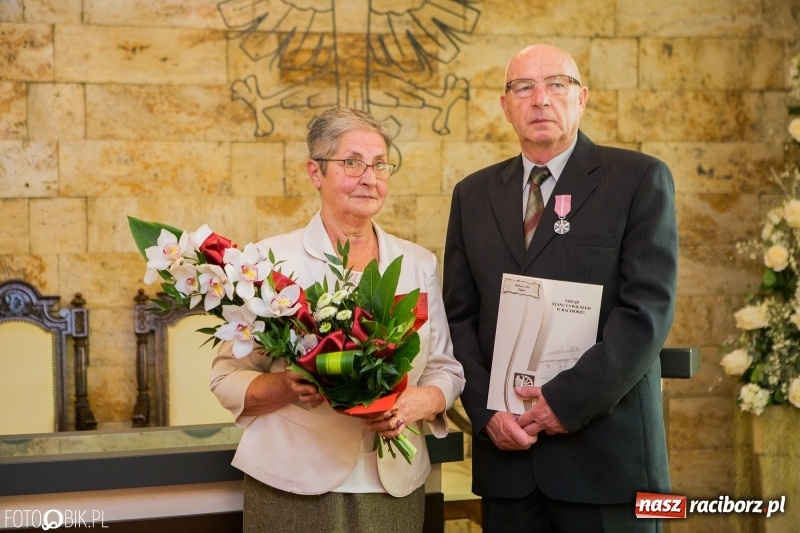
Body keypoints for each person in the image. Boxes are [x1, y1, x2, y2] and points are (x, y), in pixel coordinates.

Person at [443, 44, 678, 532]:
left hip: (606, 463)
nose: (540, 99)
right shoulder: (472, 195)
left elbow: (646, 313)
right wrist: (486, 411)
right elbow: (459, 317)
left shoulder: (637, 179)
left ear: (582, 97)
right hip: (509, 463)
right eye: (523, 87)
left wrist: (565, 402)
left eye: (556, 84)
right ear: (505, 105)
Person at [210, 108, 465, 533]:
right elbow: (225, 378)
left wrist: (418, 403)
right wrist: (287, 385)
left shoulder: (418, 263)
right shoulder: (271, 262)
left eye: (380, 164)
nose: (370, 177)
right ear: (316, 172)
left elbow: (445, 370)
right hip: (292, 484)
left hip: (395, 486)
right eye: (352, 163)